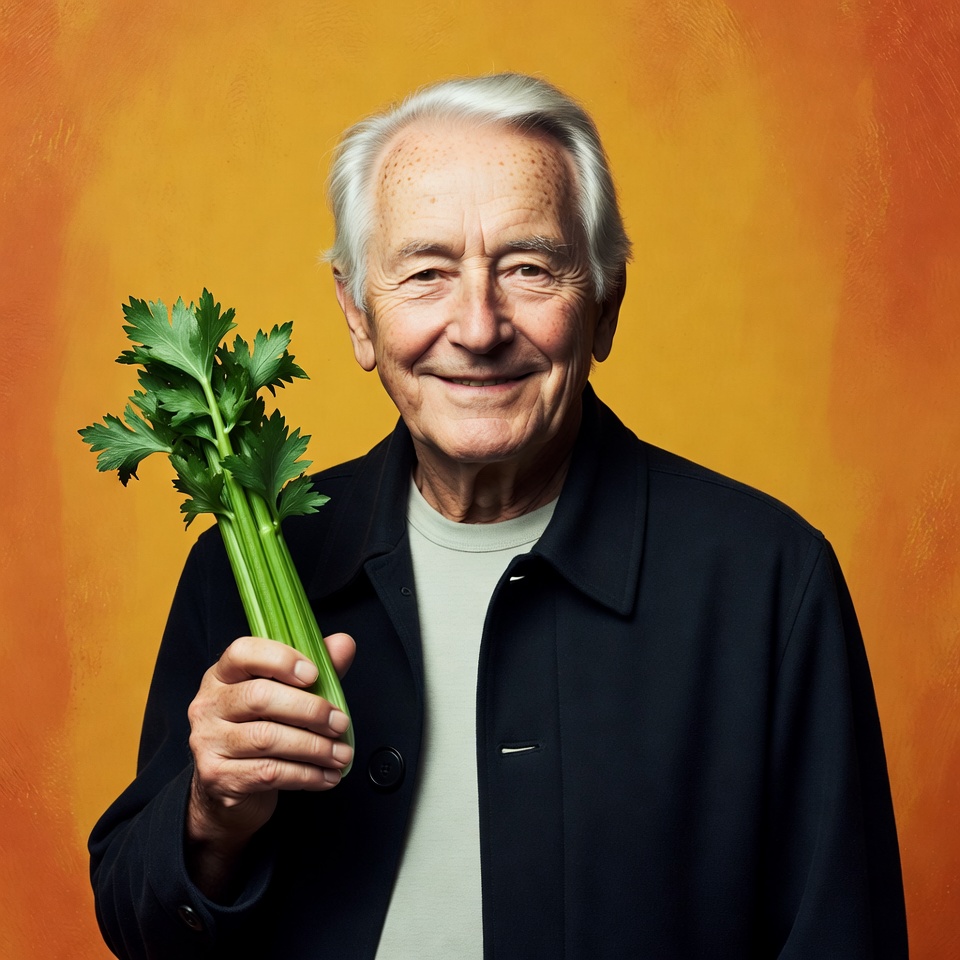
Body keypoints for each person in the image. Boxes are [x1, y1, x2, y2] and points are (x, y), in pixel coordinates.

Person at [89, 73, 908, 959]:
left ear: (604, 305)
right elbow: (139, 930)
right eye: (427, 273)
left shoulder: (769, 582)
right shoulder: (246, 565)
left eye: (528, 268)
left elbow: (841, 933)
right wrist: (211, 816)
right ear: (358, 314)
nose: (478, 328)